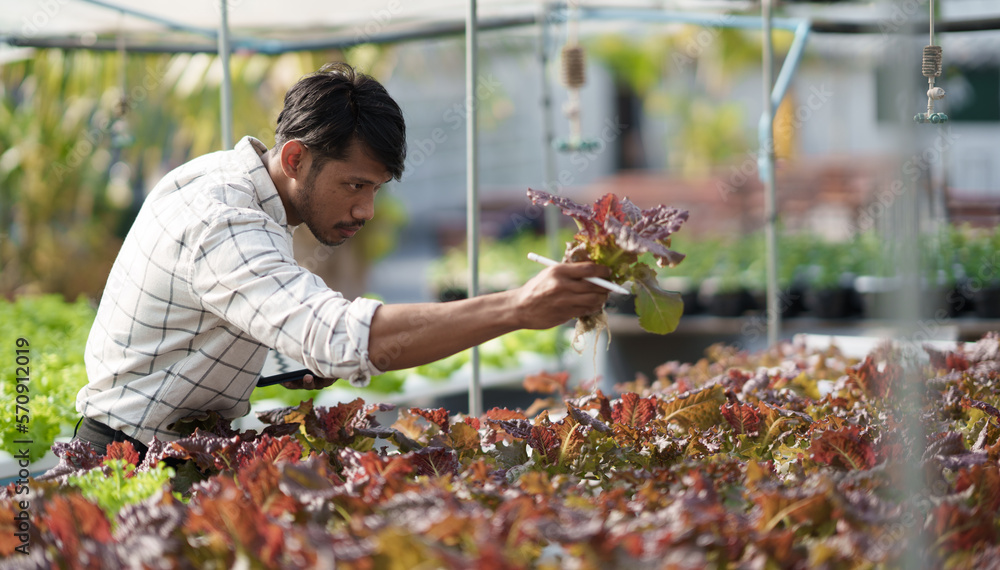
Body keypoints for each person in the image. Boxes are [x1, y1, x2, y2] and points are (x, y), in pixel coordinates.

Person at [73, 62, 610, 458]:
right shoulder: (222, 219)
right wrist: (518, 307)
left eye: (375, 188)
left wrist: (285, 360)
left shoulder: (223, 179)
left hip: (165, 447)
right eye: (354, 184)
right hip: (128, 459)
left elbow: (197, 324)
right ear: (294, 157)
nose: (365, 209)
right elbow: (340, 338)